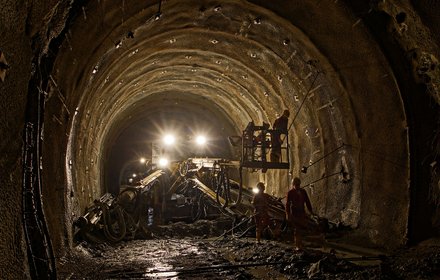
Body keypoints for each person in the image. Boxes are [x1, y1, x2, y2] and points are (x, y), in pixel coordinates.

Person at [285, 177, 314, 250]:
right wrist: (287, 214)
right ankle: (297, 245)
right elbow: (287, 204)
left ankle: (300, 243)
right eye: (296, 184)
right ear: (293, 184)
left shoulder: (303, 191)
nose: (297, 186)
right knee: (296, 229)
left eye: (298, 184)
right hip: (294, 213)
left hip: (302, 212)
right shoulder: (290, 193)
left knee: (301, 229)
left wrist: (310, 211)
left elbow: (307, 201)